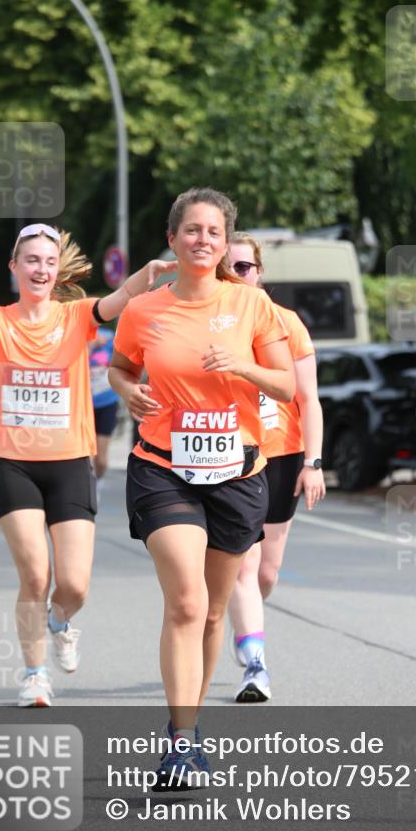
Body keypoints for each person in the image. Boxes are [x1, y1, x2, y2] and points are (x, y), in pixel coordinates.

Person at [0, 225, 174, 707]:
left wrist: (149, 274)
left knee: (73, 585)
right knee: (35, 576)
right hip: (15, 466)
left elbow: (115, 300)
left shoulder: (76, 316)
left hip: (70, 463)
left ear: (58, 271)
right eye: (31, 260)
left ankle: (60, 622)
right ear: (14, 267)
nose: (40, 269)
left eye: (48, 262)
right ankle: (35, 674)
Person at [108, 188, 294, 789]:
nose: (203, 241)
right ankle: (180, 742)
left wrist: (241, 367)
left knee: (215, 612)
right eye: (192, 230)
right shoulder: (144, 309)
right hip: (162, 467)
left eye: (214, 232)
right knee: (186, 603)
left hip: (238, 475)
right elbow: (121, 366)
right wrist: (125, 390)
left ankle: (189, 730)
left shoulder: (251, 307)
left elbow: (287, 387)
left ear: (224, 240)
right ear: (173, 238)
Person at [225, 232, 326, 702]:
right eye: (228, 268)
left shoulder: (288, 324)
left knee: (266, 574)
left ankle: (246, 625)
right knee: (244, 569)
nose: (236, 275)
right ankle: (255, 664)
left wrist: (314, 463)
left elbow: (308, 400)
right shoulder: (216, 322)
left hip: (284, 455)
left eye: (244, 267)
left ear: (260, 272)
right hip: (235, 453)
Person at [88, 325, 120, 499]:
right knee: (82, 455)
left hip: (107, 403)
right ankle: (81, 490)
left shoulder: (110, 338)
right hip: (82, 405)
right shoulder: (78, 337)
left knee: (100, 459)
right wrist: (90, 346)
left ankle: (98, 481)